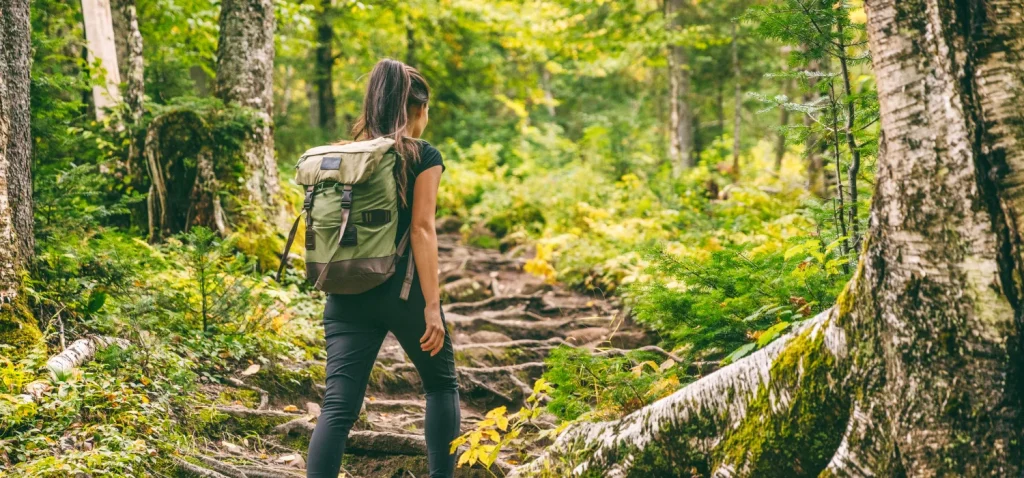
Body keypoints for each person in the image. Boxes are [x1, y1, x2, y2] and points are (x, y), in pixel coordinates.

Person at [306, 58, 459, 478]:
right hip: (403, 294)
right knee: (441, 385)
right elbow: (422, 231)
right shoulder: (422, 155)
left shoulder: (345, 157)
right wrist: (433, 306)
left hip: (346, 291)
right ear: (418, 109)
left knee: (337, 406)